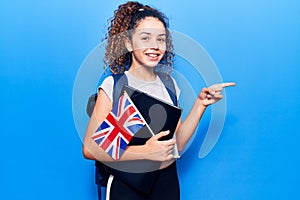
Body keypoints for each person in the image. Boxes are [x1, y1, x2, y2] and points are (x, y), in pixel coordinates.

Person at [82, 1, 235, 200]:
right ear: (128, 43)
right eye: (145, 38)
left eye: (161, 39)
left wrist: (200, 105)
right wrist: (145, 151)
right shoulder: (115, 85)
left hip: (167, 184)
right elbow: (90, 149)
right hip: (128, 187)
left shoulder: (169, 85)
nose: (154, 46)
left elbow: (176, 145)